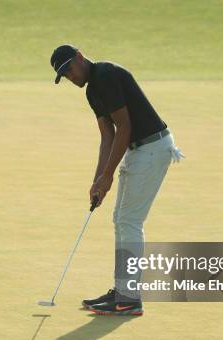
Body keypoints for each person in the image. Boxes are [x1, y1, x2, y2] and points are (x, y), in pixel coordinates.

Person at [50, 44, 184, 316]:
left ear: (80, 56)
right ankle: (123, 290)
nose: (71, 77)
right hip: (140, 150)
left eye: (70, 69)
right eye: (65, 76)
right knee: (121, 219)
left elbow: (124, 126)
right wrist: (98, 179)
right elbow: (107, 136)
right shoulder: (91, 91)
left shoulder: (106, 74)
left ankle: (130, 298)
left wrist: (109, 175)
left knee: (129, 221)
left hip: (152, 147)